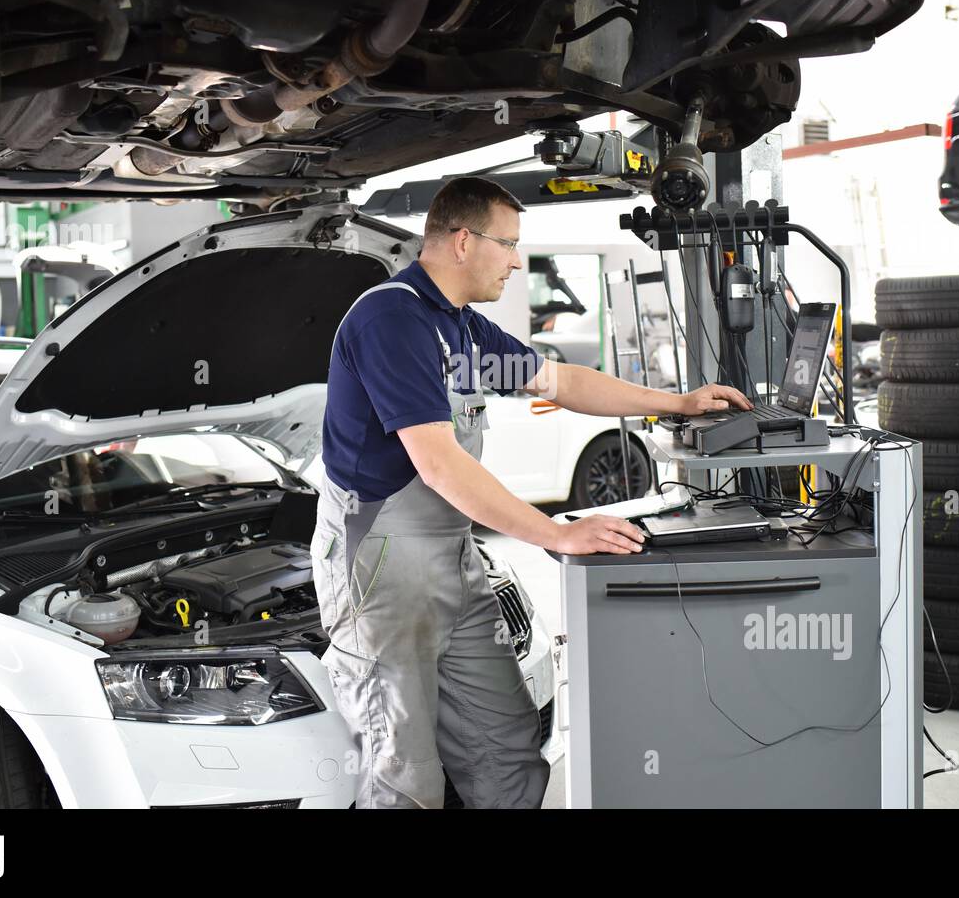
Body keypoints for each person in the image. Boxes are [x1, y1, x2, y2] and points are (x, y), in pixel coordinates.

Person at [311, 176, 752, 808]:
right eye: (509, 244)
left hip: (450, 560)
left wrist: (676, 403)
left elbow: (560, 380)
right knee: (403, 769)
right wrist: (557, 534)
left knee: (507, 745)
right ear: (463, 242)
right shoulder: (392, 319)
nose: (518, 261)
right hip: (380, 568)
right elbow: (436, 464)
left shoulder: (459, 329)